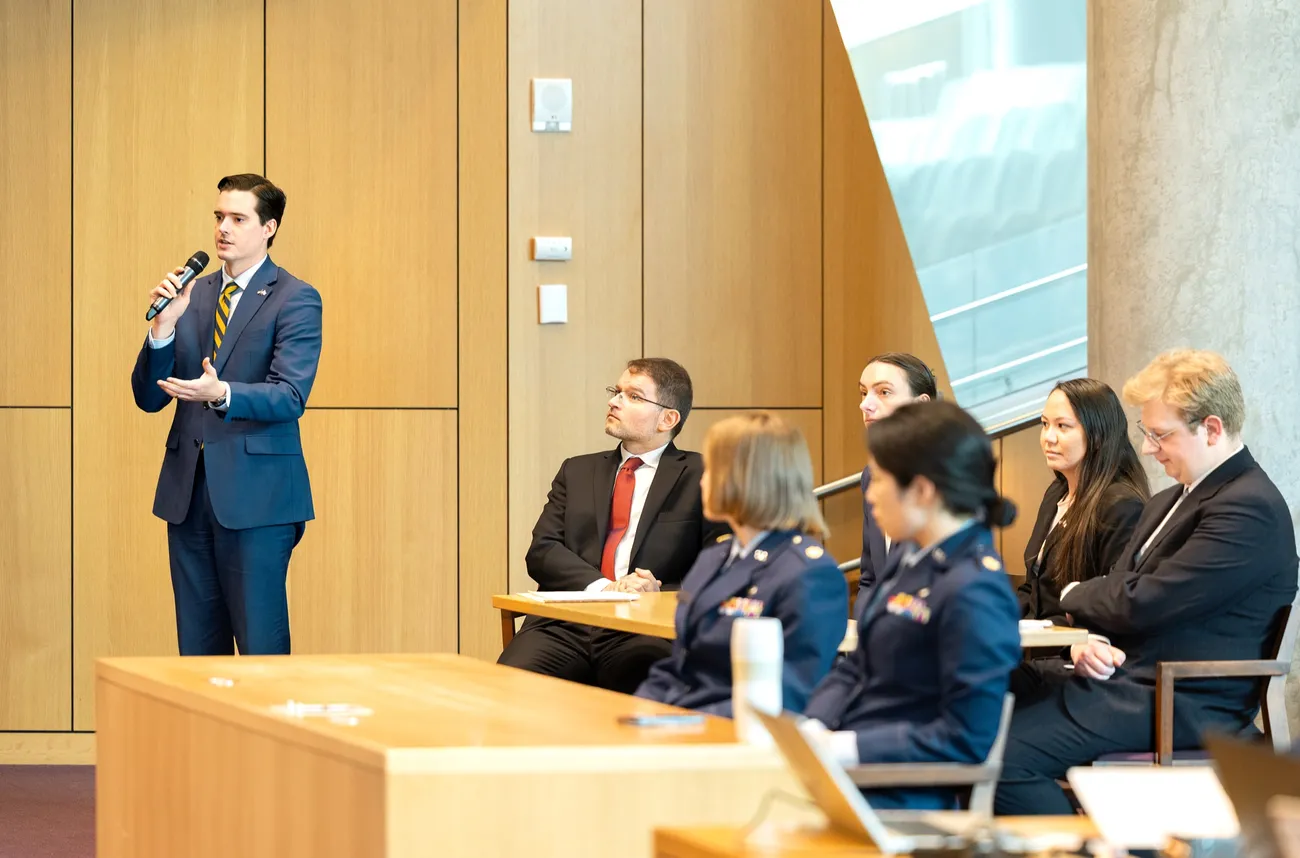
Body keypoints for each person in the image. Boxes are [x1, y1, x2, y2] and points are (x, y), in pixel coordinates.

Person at [995, 350, 1299, 815]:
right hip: (1124, 676)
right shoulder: (1167, 502)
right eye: (1146, 433)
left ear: (1212, 429)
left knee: (1004, 759)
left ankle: (1090, 849)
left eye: (1161, 435)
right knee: (984, 690)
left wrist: (1076, 593)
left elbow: (1143, 601)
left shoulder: (1247, 508)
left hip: (1176, 697)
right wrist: (1090, 641)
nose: (1149, 449)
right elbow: (1120, 591)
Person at [131, 173, 322, 656]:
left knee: (260, 647)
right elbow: (149, 398)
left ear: (269, 228)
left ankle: (270, 736)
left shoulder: (295, 297)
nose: (224, 228)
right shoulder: (191, 294)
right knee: (197, 650)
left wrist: (223, 394)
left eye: (239, 218)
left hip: (257, 500)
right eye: (219, 217)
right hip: (188, 495)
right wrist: (163, 328)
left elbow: (289, 396)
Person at [802, 401, 1022, 810]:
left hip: (896, 792)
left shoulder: (974, 588)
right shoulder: (911, 557)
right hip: (843, 775)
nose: (869, 494)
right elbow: (856, 666)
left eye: (880, 480)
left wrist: (847, 748)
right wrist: (811, 724)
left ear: (922, 490)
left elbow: (966, 737)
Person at [498, 358, 728, 693]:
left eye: (633, 396)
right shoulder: (576, 471)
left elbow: (719, 563)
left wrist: (657, 596)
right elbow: (543, 551)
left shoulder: (703, 475)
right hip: (565, 623)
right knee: (508, 688)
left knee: (647, 695)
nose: (614, 401)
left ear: (668, 418)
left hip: (644, 627)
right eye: (616, 392)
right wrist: (605, 588)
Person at [635, 413, 848, 715]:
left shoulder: (808, 573)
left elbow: (792, 694)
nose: (702, 480)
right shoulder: (715, 557)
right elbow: (680, 664)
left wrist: (682, 725)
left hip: (739, 735)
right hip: (684, 724)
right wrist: (640, 710)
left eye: (712, 470)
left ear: (746, 478)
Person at [1013, 379, 1148, 693]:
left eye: (1063, 426)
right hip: (1038, 655)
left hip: (1085, 665)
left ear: (1097, 435)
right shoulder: (1056, 493)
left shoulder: (1121, 505)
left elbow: (1113, 607)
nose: (1048, 437)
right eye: (1044, 424)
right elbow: (1032, 588)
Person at [855, 353, 937, 609]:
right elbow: (869, 578)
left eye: (883, 392)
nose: (865, 405)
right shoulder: (871, 476)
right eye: (863, 393)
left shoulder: (941, 478)